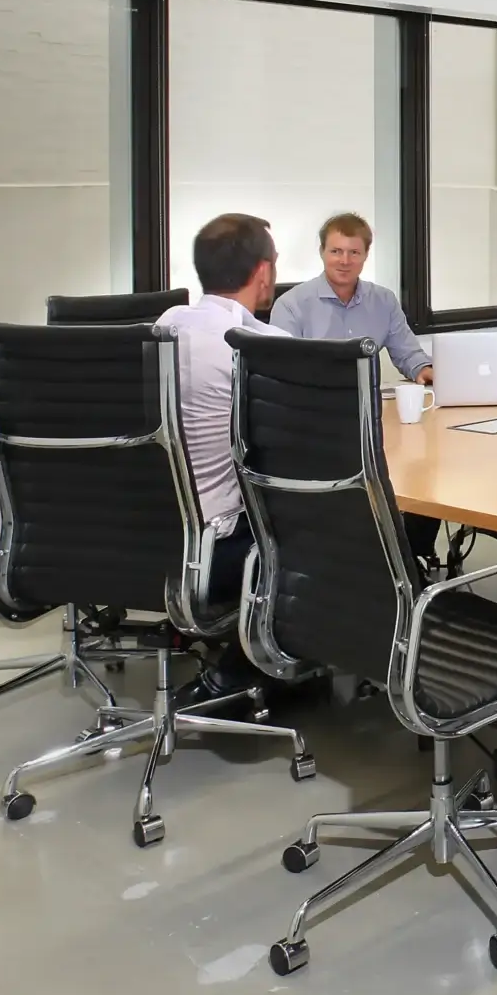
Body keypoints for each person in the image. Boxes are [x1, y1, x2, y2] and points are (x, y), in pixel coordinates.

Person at [155, 214, 286, 700]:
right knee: (324, 521)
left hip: (142, 536)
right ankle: (244, 670)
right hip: (213, 552)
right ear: (263, 273)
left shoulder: (162, 327)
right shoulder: (258, 348)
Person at [270, 212, 432, 384]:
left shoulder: (384, 301)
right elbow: (281, 370)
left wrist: (423, 370)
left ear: (366, 255)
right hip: (309, 403)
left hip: (367, 406)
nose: (345, 261)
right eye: (336, 251)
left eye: (354, 252)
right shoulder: (290, 305)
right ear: (322, 252)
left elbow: (408, 354)